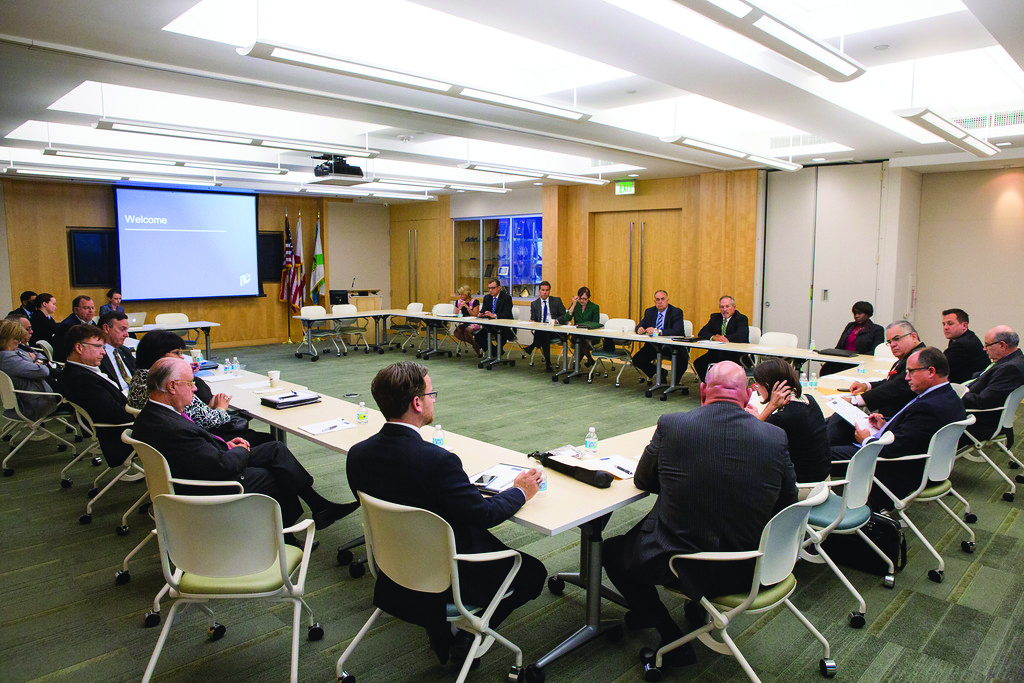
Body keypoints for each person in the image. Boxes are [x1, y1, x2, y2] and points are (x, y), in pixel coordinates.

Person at [347, 361, 546, 667]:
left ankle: (442, 628)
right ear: (417, 403)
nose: (433, 400)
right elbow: (485, 514)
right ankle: (470, 634)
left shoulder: (357, 455)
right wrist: (521, 490)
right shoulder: (438, 462)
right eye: (431, 394)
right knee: (533, 573)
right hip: (448, 574)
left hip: (394, 566)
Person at [602, 361, 796, 665]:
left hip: (688, 563)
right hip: (752, 567)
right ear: (748, 395)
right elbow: (788, 501)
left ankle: (669, 635)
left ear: (703, 391)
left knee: (612, 551)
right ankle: (693, 608)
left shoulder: (672, 425)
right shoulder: (775, 437)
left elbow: (642, 480)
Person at [130, 357, 355, 541]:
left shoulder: (149, 416)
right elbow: (222, 465)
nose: (195, 388)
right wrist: (241, 451)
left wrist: (226, 444)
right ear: (172, 386)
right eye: (190, 384)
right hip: (208, 485)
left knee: (275, 449)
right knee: (277, 475)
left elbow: (196, 448)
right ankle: (284, 535)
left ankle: (319, 507)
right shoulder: (174, 428)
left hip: (197, 467)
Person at [830, 347, 966, 511]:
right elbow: (915, 433)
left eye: (911, 372)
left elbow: (892, 450)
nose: (907, 377)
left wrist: (866, 440)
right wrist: (885, 425)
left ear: (931, 371)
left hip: (892, 466)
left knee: (820, 454)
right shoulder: (948, 396)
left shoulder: (929, 407)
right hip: (915, 460)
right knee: (839, 430)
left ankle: (823, 504)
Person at [127, 330, 270, 445]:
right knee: (266, 440)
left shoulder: (139, 377)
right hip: (194, 440)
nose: (182, 357)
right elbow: (209, 420)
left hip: (162, 438)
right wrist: (221, 408)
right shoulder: (171, 387)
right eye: (177, 353)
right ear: (158, 356)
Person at [826, 320, 925, 447]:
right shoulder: (907, 356)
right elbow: (891, 382)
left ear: (913, 336)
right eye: (889, 342)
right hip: (884, 421)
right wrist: (867, 386)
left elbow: (896, 387)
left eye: (897, 339)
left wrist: (855, 400)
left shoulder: (918, 358)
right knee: (834, 421)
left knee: (836, 425)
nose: (893, 345)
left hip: (892, 427)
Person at [748, 357, 830, 494]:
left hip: (804, 488)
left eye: (758, 386)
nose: (758, 390)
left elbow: (752, 436)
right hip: (824, 480)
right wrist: (762, 416)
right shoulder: (809, 400)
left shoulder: (783, 418)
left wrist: (770, 407)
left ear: (768, 386)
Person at [58, 324, 134, 467]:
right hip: (123, 435)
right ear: (79, 348)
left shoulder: (79, 371)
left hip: (121, 426)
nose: (103, 352)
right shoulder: (83, 380)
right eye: (98, 346)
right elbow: (117, 415)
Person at [961, 326, 1024, 444]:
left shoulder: (1010, 368)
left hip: (979, 421)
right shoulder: (1013, 359)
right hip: (978, 411)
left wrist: (956, 396)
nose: (984, 349)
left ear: (1002, 345)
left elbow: (983, 401)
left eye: (987, 345)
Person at [0, 319, 57, 421]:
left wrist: (36, 361)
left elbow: (39, 356)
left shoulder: (15, 350)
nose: (19, 341)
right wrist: (36, 362)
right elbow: (43, 371)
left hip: (41, 393)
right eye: (16, 338)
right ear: (5, 339)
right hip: (39, 401)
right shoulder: (7, 357)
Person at [632, 290, 685, 384]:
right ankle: (660, 372)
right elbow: (640, 325)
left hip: (672, 346)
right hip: (653, 346)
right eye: (657, 300)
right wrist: (639, 329)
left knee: (682, 359)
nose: (660, 302)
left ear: (667, 300)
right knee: (637, 359)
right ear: (654, 301)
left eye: (662, 299)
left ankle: (675, 383)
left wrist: (658, 332)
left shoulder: (676, 312)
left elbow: (678, 331)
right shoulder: (649, 312)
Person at [691, 295, 750, 382]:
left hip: (736, 354)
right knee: (699, 363)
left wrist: (723, 338)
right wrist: (714, 337)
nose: (724, 309)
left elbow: (740, 336)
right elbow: (702, 333)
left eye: (727, 306)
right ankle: (709, 385)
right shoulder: (715, 317)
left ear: (734, 307)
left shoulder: (741, 318)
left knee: (725, 368)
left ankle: (726, 387)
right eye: (722, 307)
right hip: (717, 353)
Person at [819, 301, 885, 376]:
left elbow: (875, 351)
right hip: (844, 359)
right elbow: (840, 346)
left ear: (868, 314)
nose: (856, 316)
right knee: (826, 369)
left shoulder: (877, 329)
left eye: (859, 313)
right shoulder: (850, 326)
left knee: (844, 372)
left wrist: (856, 357)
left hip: (860, 362)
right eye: (855, 313)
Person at [524, 281, 566, 372]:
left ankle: (532, 346)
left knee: (544, 333)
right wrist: (532, 321)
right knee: (544, 334)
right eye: (543, 290)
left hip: (554, 329)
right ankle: (548, 363)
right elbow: (533, 318)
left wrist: (556, 320)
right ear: (539, 291)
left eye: (547, 290)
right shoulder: (534, 304)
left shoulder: (556, 301)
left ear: (549, 291)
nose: (545, 292)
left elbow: (564, 315)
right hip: (542, 330)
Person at [941, 308, 989, 384]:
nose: (945, 327)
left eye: (950, 324)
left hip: (969, 386)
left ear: (964, 325)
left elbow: (940, 366)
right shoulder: (959, 338)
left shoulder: (963, 344)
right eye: (944, 324)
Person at [474, 278, 514, 359]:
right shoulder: (487, 298)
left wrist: (495, 315)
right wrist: (482, 314)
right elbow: (483, 310)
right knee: (478, 336)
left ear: (499, 288)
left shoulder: (506, 298)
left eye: (493, 288)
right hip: (490, 326)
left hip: (504, 326)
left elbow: (507, 314)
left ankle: (496, 352)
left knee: (501, 335)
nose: (490, 290)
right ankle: (494, 352)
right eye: (489, 288)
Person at [561, 286, 600, 367]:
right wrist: (573, 304)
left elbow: (595, 323)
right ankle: (589, 359)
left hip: (590, 336)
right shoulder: (576, 306)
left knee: (580, 340)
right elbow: (566, 318)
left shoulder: (594, 307)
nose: (582, 301)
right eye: (581, 298)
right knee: (579, 338)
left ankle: (577, 364)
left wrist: (584, 326)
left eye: (585, 299)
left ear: (588, 298)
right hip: (577, 334)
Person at [97, 311, 136, 393]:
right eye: (122, 329)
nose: (127, 335)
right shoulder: (96, 356)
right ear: (106, 328)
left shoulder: (124, 351)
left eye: (126, 330)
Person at [53, 295, 96, 362]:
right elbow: (65, 352)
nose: (91, 311)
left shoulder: (92, 324)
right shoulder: (67, 326)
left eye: (92, 308)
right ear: (76, 310)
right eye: (86, 308)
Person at [451, 285, 482, 357]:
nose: (461, 296)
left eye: (462, 294)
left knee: (467, 330)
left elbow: (475, 315)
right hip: (463, 321)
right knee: (456, 332)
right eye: (460, 294)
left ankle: (476, 347)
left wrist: (467, 307)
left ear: (467, 294)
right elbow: (456, 314)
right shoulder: (458, 302)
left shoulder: (475, 302)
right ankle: (475, 345)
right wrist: (459, 308)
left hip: (473, 322)